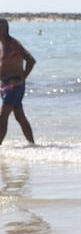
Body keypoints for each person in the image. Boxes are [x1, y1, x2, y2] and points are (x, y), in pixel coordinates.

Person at [0, 18, 38, 146]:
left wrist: (23, 78)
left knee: (3, 115)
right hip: (5, 86)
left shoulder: (13, 44)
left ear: (4, 29)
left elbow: (31, 60)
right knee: (19, 117)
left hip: (15, 86)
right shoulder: (1, 45)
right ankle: (32, 145)